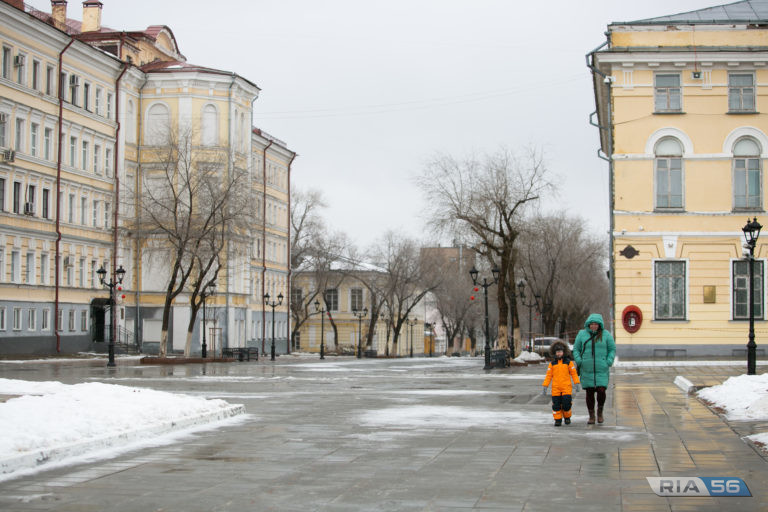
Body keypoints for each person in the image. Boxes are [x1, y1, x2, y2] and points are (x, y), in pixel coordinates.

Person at [573, 313, 616, 425]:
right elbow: (576, 349)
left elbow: (612, 349)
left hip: (602, 368)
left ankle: (600, 411)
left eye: (596, 324)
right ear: (588, 324)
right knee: (589, 392)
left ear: (599, 325)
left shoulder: (606, 335)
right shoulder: (582, 334)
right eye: (591, 324)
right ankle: (591, 415)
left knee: (602, 390)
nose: (593, 326)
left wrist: (609, 361)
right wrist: (579, 361)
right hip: (586, 369)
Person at [541, 341, 580, 427]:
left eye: (560, 351)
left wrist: (577, 383)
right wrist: (545, 386)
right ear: (554, 353)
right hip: (556, 388)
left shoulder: (568, 362)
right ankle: (557, 419)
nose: (559, 353)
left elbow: (574, 373)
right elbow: (548, 376)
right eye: (557, 352)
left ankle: (567, 417)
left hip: (566, 387)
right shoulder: (552, 364)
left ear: (564, 352)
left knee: (567, 404)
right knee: (556, 405)